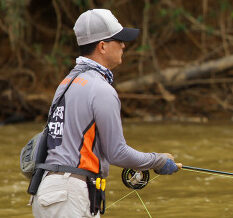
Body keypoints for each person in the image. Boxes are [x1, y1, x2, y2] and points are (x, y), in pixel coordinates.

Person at [32, 9, 182, 218]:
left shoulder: (66, 83)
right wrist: (158, 160)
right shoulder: (100, 89)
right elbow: (117, 152)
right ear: (102, 46)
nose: (123, 45)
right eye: (118, 39)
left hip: (46, 192)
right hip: (69, 196)